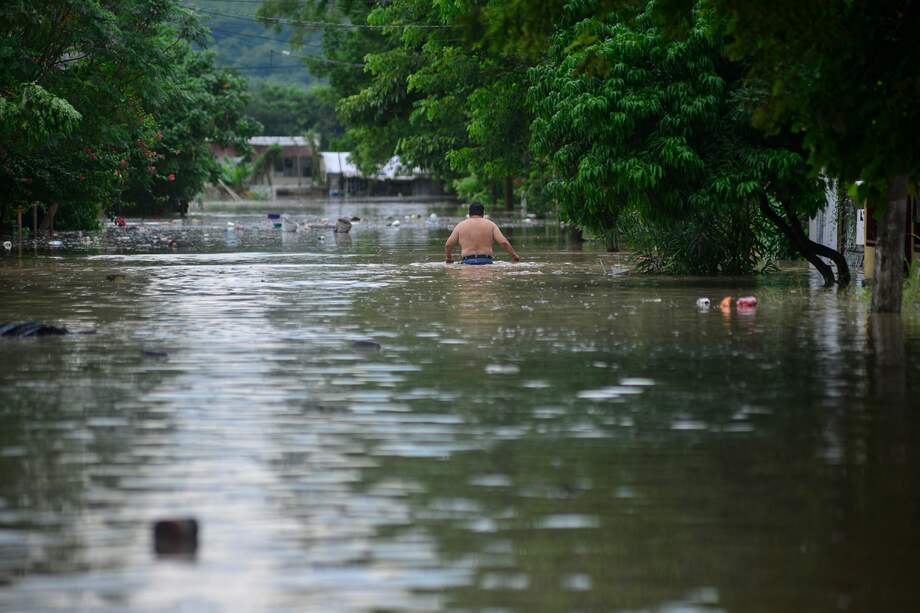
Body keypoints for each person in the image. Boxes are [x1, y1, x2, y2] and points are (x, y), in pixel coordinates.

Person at [444, 203, 521, 265]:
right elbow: (503, 242)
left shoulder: (460, 226)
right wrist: (514, 256)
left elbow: (448, 245)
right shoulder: (491, 225)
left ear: (469, 213)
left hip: (467, 263)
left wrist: (449, 258)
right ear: (483, 213)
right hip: (486, 262)